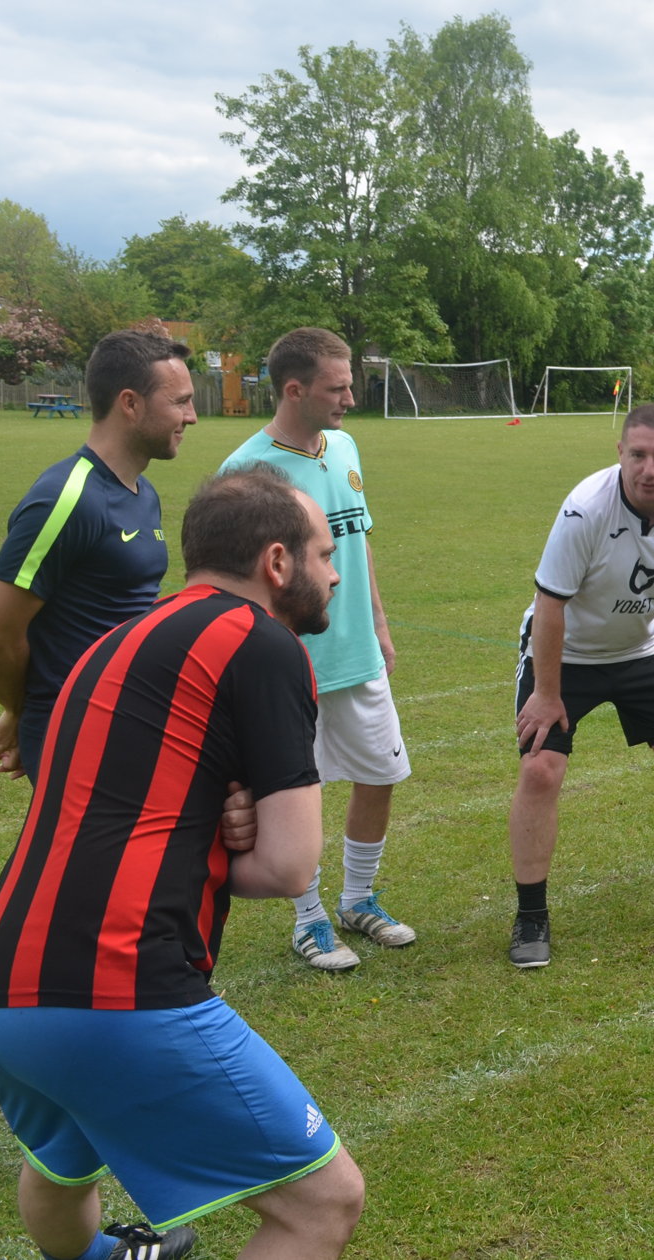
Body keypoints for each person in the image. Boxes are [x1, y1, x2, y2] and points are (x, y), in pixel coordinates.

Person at [0, 466, 366, 1260]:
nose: (336, 570)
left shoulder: (115, 640)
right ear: (277, 564)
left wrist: (209, 823)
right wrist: (228, 841)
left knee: (63, 1165)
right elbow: (287, 868)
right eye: (324, 551)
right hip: (117, 988)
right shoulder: (262, 642)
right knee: (323, 1202)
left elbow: (135, 803)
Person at [506, 402, 654, 966]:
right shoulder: (584, 509)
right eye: (638, 454)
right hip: (565, 651)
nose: (649, 468)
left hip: (639, 649)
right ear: (620, 453)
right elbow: (550, 604)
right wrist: (547, 692)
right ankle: (530, 918)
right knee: (542, 767)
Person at [223, 328, 416, 973]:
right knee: (292, 789)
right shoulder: (248, 472)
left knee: (380, 772)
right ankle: (309, 919)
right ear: (294, 389)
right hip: (289, 662)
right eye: (338, 388)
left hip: (357, 650)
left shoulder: (346, 446)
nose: (350, 399)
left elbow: (356, 544)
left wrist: (379, 622)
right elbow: (235, 585)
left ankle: (358, 899)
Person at [0, 330, 198, 786]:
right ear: (130, 403)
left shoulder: (143, 493)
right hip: (77, 736)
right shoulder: (67, 499)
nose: (191, 417)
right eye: (180, 402)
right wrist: (22, 709)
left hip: (130, 722)